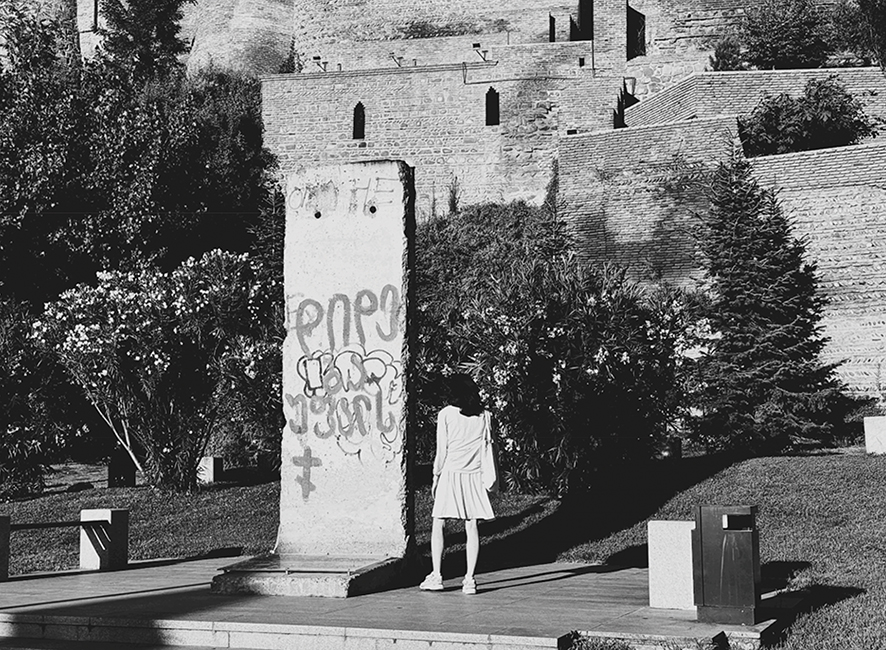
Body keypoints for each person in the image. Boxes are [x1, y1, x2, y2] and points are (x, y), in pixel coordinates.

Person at [419, 374, 496, 595]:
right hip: (474, 475)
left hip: (451, 473)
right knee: (472, 526)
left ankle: (436, 575)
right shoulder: (485, 416)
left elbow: (441, 451)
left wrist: (435, 476)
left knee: (439, 522)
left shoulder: (446, 414)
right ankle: (470, 579)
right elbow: (488, 448)